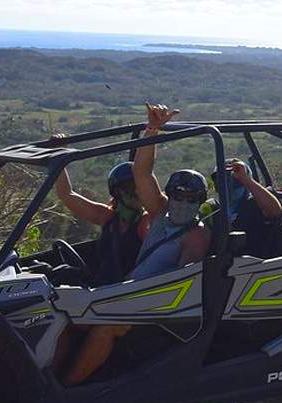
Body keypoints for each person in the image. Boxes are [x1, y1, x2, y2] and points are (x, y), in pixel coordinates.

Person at [59, 103, 211, 387]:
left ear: (200, 201)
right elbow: (142, 174)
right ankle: (45, 381)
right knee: (62, 319)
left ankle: (67, 389)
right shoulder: (160, 213)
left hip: (154, 303)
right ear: (170, 195)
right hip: (127, 293)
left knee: (103, 328)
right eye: (178, 196)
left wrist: (138, 299)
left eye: (192, 199)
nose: (184, 203)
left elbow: (183, 278)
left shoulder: (197, 234)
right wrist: (152, 130)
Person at [50, 157, 150, 286]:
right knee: (52, 271)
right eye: (131, 187)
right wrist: (59, 160)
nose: (137, 192)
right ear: (118, 192)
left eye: (140, 187)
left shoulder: (146, 222)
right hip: (100, 284)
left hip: (123, 290)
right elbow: (66, 195)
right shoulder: (108, 216)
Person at [203, 158, 282, 257]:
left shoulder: (255, 204)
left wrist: (245, 179)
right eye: (221, 180)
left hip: (256, 264)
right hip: (222, 265)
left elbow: (274, 211)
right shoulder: (215, 212)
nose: (228, 184)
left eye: (234, 180)